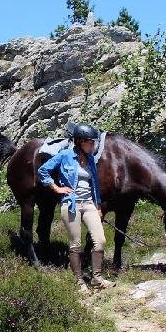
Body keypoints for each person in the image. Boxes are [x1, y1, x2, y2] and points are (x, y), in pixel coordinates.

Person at [37, 123, 115, 293]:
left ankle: (97, 278)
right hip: (70, 204)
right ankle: (79, 282)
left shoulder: (91, 160)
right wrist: (56, 188)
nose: (94, 145)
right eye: (91, 142)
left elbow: (94, 184)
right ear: (80, 142)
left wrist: (98, 206)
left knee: (100, 241)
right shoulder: (64, 155)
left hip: (89, 205)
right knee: (75, 245)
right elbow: (43, 171)